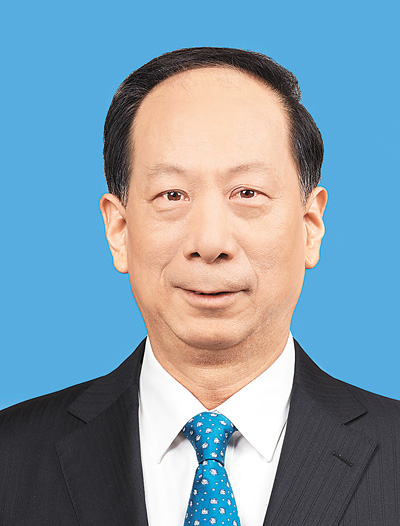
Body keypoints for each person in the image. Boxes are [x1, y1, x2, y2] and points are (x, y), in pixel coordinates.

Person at [0, 47, 399, 526]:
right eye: (172, 195)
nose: (210, 243)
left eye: (247, 193)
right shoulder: (11, 459)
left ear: (310, 226)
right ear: (119, 230)